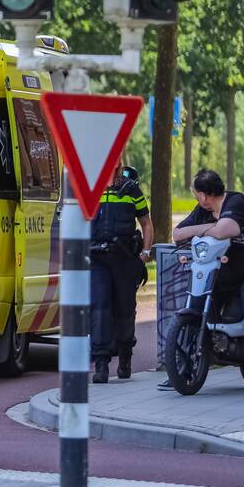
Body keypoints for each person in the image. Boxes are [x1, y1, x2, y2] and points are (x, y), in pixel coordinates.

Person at [168, 169, 244, 393]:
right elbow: (178, 233)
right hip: (218, 273)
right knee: (195, 305)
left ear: (203, 194)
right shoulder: (203, 210)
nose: (197, 199)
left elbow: (227, 229)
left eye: (196, 194)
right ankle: (181, 369)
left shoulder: (235, 201)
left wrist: (205, 231)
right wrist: (209, 229)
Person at [90, 164, 153, 383]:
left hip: (124, 259)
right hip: (97, 260)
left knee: (125, 311)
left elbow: (146, 222)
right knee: (99, 309)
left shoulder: (131, 190)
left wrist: (144, 254)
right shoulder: (90, 188)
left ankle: (125, 356)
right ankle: (101, 364)